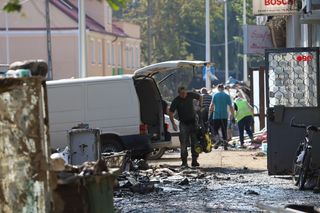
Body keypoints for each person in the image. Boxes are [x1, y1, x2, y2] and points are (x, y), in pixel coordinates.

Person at [169, 86, 203, 167]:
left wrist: (200, 105)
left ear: (186, 92)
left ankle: (194, 161)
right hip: (183, 124)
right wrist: (173, 123)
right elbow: (170, 112)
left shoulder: (190, 95)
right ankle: (184, 162)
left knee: (195, 143)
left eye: (185, 93)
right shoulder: (176, 100)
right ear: (179, 93)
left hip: (193, 123)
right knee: (183, 143)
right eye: (182, 93)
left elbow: (200, 96)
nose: (184, 95)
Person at [209, 84, 234, 150]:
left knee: (215, 130)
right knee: (224, 130)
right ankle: (225, 144)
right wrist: (232, 114)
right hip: (224, 116)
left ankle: (218, 139)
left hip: (216, 116)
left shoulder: (215, 95)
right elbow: (231, 106)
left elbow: (211, 106)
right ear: (223, 88)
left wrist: (209, 114)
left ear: (218, 88)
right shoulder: (227, 96)